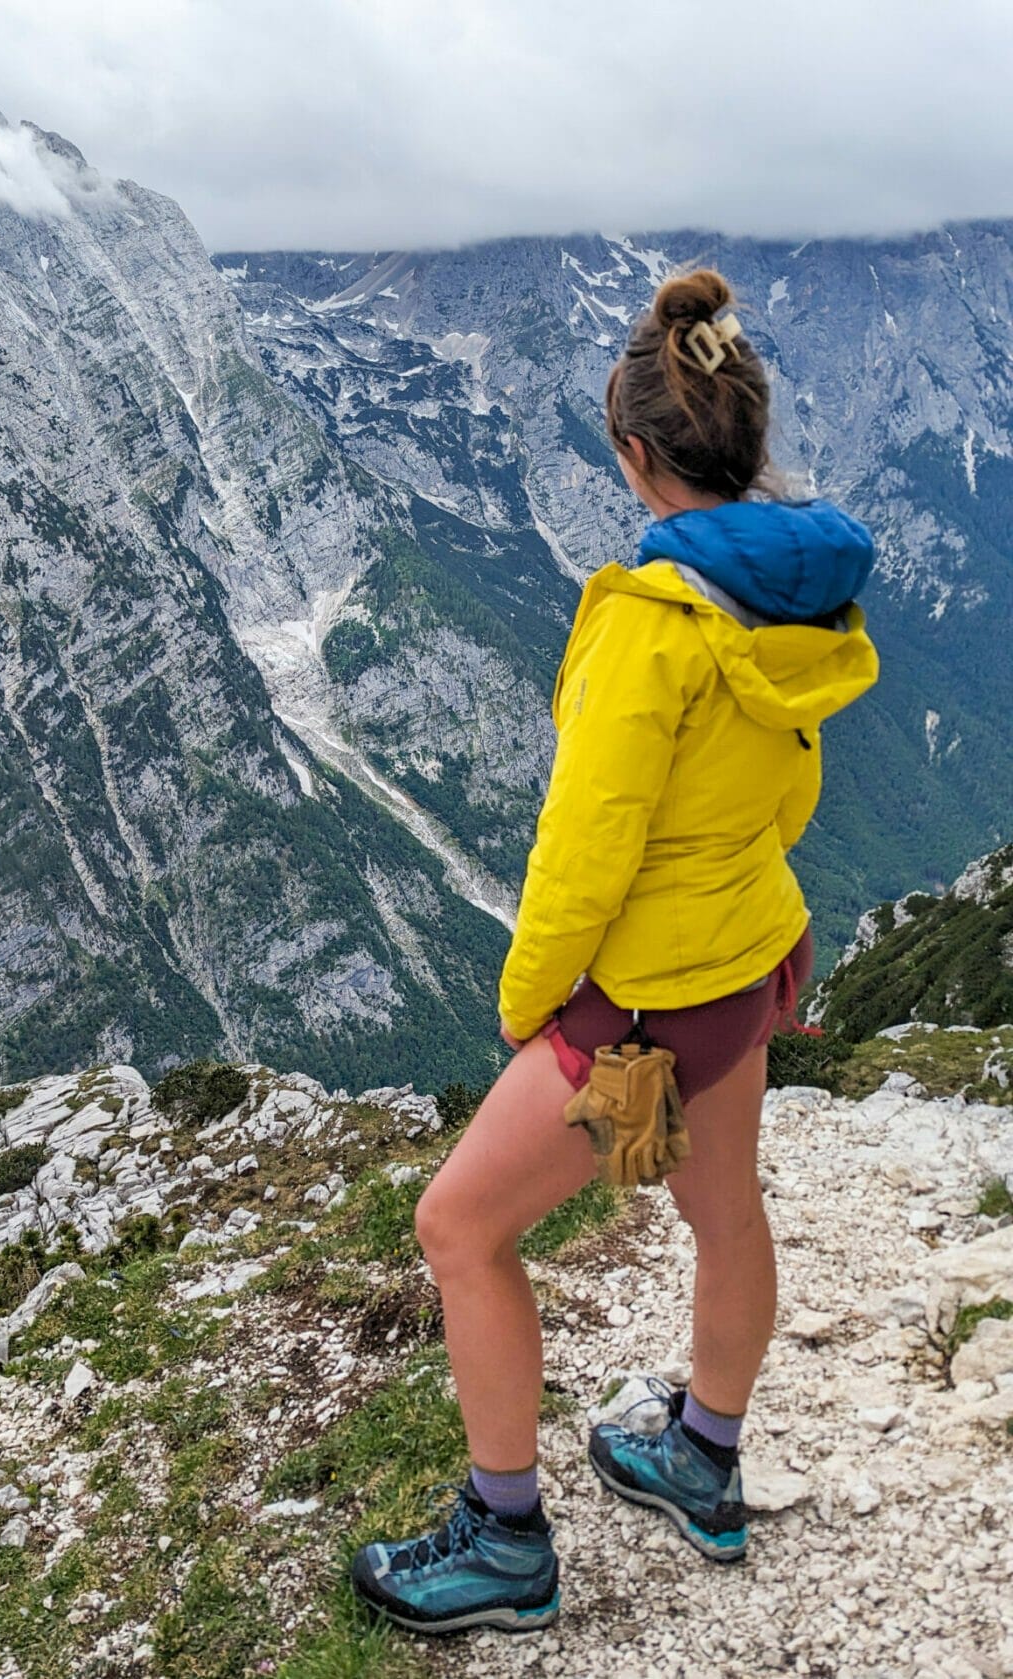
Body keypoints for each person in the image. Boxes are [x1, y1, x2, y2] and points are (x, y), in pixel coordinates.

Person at [350, 267, 881, 1635]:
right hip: (746, 970)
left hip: (639, 999)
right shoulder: (804, 601)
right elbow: (785, 799)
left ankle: (505, 1540)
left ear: (636, 456)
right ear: (749, 442)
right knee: (724, 1207)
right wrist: (778, 935)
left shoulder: (648, 626)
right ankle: (701, 1457)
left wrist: (536, 1013)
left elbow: (583, 855)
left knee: (457, 1227)